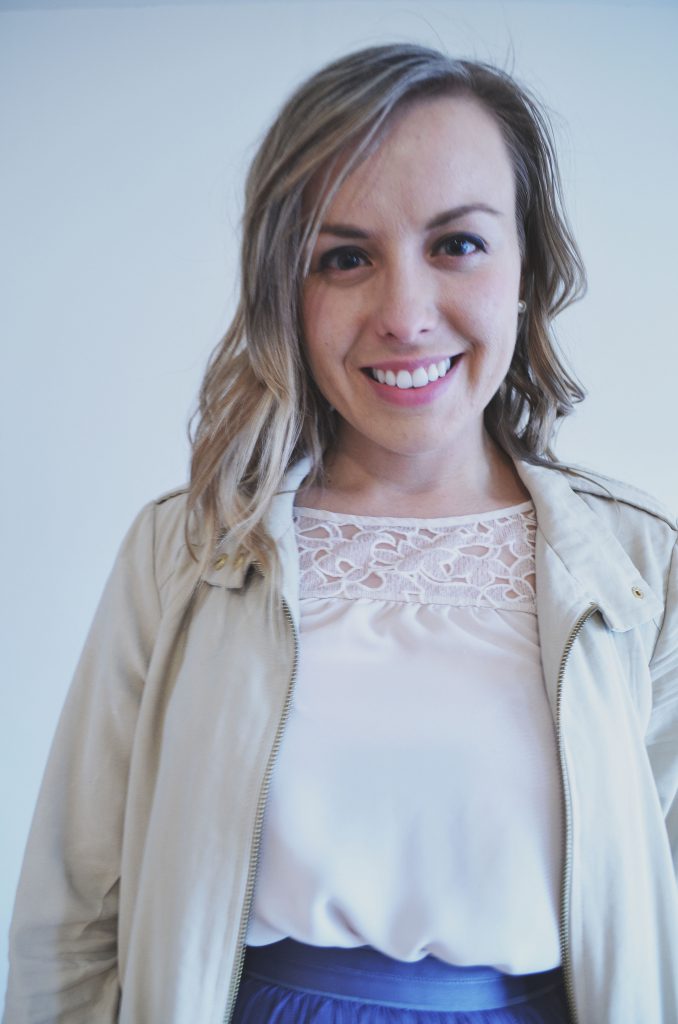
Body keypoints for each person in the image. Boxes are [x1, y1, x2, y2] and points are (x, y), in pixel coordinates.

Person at [4, 43, 677, 1024]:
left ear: (528, 266)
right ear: (288, 287)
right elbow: (72, 920)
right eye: (345, 257)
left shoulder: (640, 573)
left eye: (457, 244)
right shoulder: (186, 553)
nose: (405, 314)